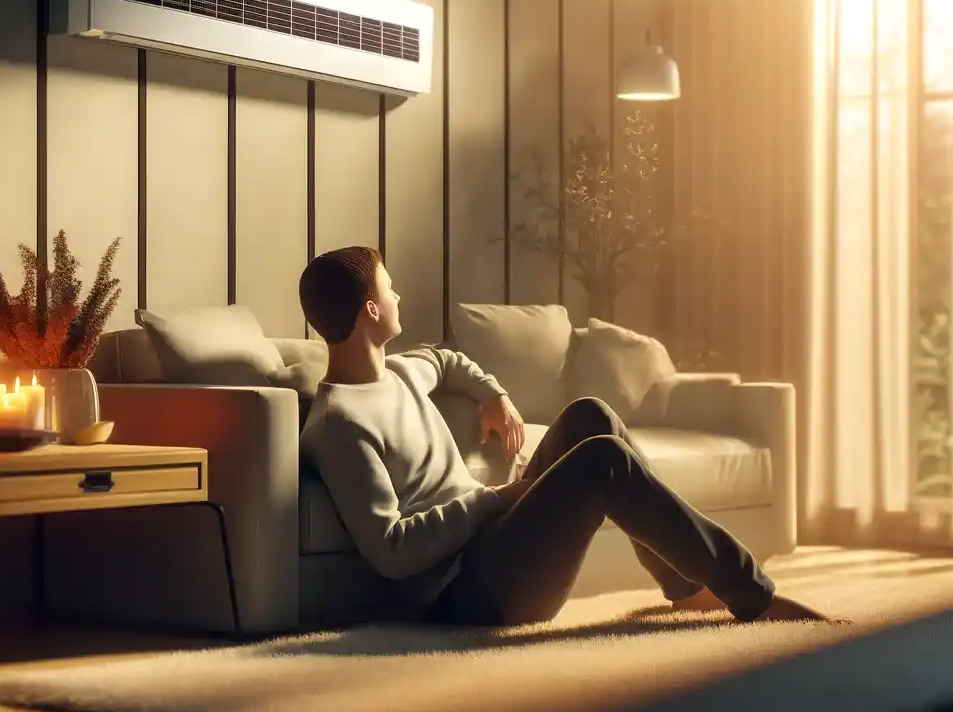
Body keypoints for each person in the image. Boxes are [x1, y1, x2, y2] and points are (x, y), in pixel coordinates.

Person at [296, 245, 831, 626]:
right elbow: (391, 550)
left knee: (590, 416)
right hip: (469, 591)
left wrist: (494, 395)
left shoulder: (402, 372)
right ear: (371, 310)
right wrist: (497, 499)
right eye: (390, 289)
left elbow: (447, 360)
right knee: (602, 460)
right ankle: (753, 595)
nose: (399, 296)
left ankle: (686, 586)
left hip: (495, 538)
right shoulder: (340, 423)